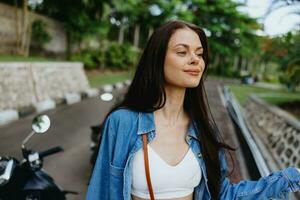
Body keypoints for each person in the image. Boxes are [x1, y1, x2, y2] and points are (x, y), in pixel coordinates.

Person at [86, 20, 300, 200]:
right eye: (182, 52)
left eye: (199, 53)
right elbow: (100, 192)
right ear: (157, 59)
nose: (195, 59)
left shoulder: (203, 130)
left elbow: (224, 195)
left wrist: (291, 177)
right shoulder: (123, 122)